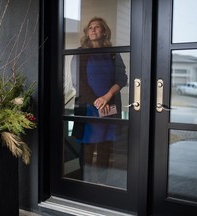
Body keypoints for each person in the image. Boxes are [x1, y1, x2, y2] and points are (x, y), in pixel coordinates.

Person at [72, 17, 127, 184]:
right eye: (90, 28)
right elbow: (78, 83)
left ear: (104, 32)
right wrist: (98, 102)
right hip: (88, 107)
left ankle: (102, 184)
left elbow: (122, 78)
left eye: (97, 27)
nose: (93, 30)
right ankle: (86, 183)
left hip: (109, 107)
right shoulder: (80, 53)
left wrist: (107, 97)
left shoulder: (113, 53)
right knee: (87, 149)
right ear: (87, 33)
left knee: (105, 147)